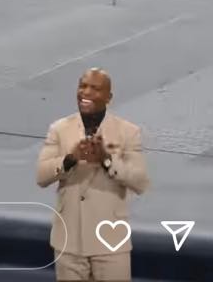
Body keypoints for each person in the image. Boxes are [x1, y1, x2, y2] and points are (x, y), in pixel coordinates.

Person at [36, 68, 149, 282]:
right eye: (82, 86)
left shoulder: (128, 132)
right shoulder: (59, 129)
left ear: (108, 97)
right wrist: (70, 159)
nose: (85, 92)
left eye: (95, 88)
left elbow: (140, 181)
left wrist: (107, 161)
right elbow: (42, 176)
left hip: (110, 244)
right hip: (69, 241)